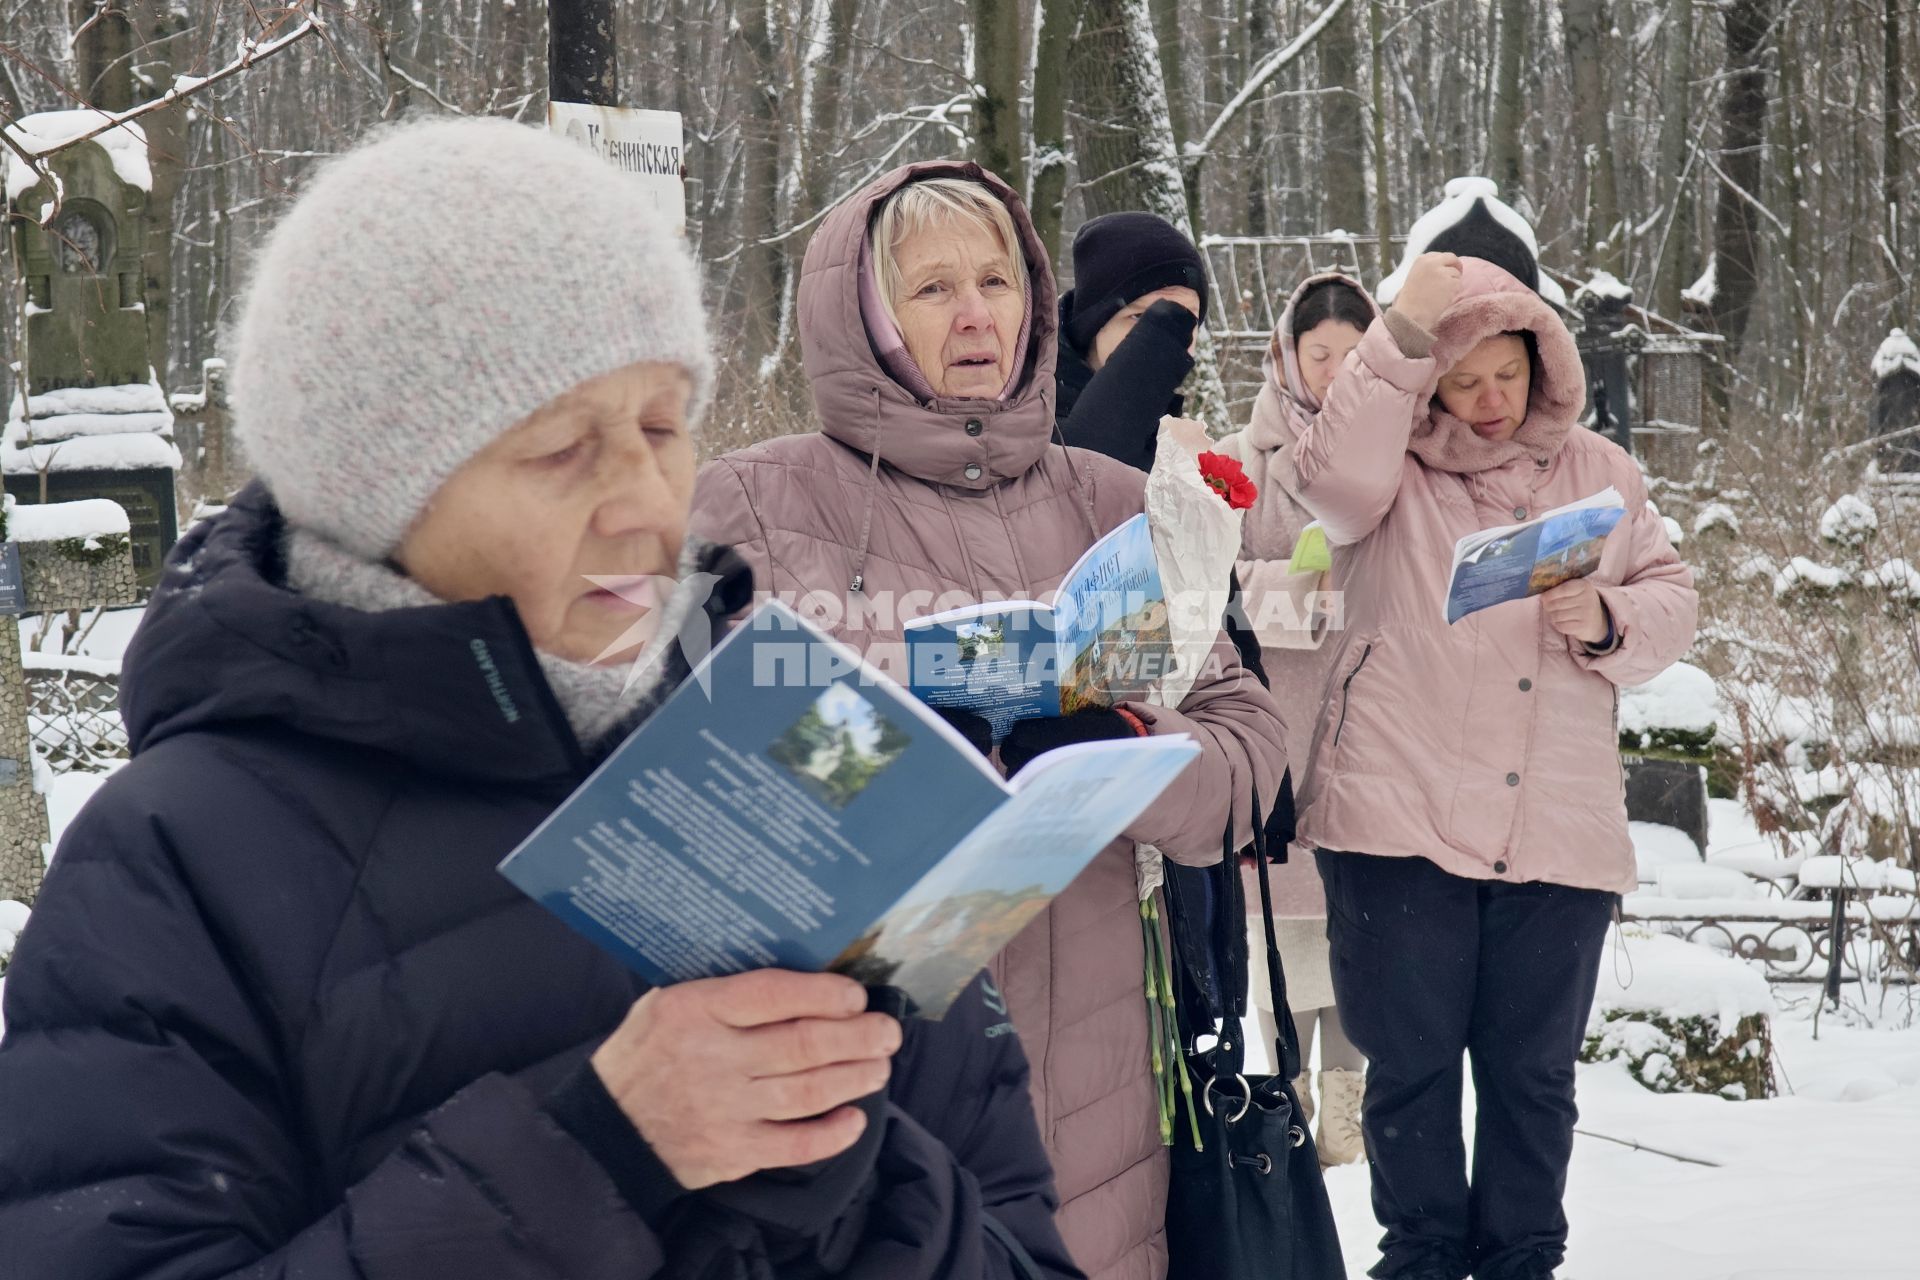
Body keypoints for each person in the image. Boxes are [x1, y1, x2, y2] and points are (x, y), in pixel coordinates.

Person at [0, 120, 1081, 1280]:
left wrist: (855, 1192)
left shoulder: (800, 755)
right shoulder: (175, 862)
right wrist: (597, 1158)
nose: (646, 503)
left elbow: (1022, 1241)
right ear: (379, 485)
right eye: (564, 447)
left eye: (664, 428)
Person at [690, 161, 1286, 1280]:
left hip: (1104, 1116)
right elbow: (696, 784)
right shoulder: (755, 504)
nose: (976, 315)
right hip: (866, 1097)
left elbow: (1256, 754)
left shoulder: (1116, 502)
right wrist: (901, 756)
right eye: (931, 289)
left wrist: (1140, 755)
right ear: (862, 315)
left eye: (998, 281)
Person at [1291, 248, 1697, 1280]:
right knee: (1411, 1068)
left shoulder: (1601, 472)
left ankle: (1524, 1258)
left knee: (1532, 1074)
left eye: (1505, 377)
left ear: (1543, 364)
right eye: (1462, 381)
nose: (1485, 402)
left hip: (1552, 828)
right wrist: (1399, 334)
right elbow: (1329, 485)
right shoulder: (1390, 471)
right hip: (1400, 817)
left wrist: (1610, 616)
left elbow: (1673, 600)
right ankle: (1420, 1254)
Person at [1212, 273, 1380, 1166]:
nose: (1337, 374)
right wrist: (1296, 593)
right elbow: (1207, 586)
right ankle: (1289, 1091)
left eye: (1357, 358)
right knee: (1277, 918)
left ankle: (1349, 1101)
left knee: (1356, 924)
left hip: (1366, 718)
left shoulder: (1398, 451)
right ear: (1287, 357)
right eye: (1322, 356)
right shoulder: (1242, 459)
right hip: (1273, 714)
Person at [1054, 211, 1210, 471]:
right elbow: (1083, 484)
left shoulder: (1171, 436)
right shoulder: (1030, 421)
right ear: (1093, 324)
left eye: (1188, 320)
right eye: (1140, 316)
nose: (1169, 339)